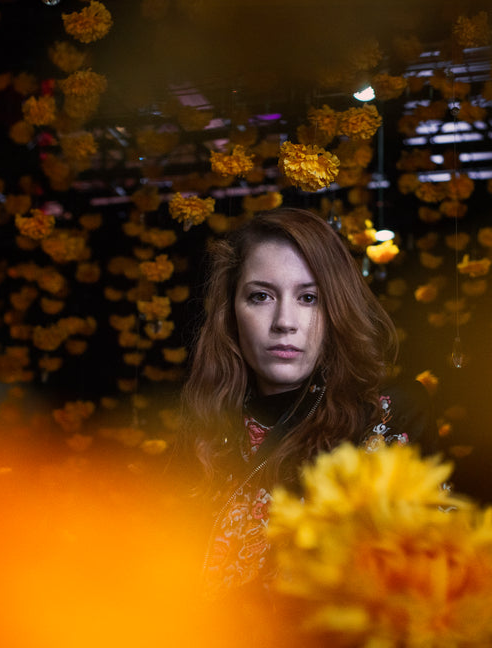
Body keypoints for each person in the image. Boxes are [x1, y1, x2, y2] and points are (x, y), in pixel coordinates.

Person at [180, 207, 434, 598]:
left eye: (309, 298)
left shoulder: (383, 416)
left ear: (337, 310)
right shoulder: (205, 426)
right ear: (231, 311)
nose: (285, 321)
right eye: (261, 296)